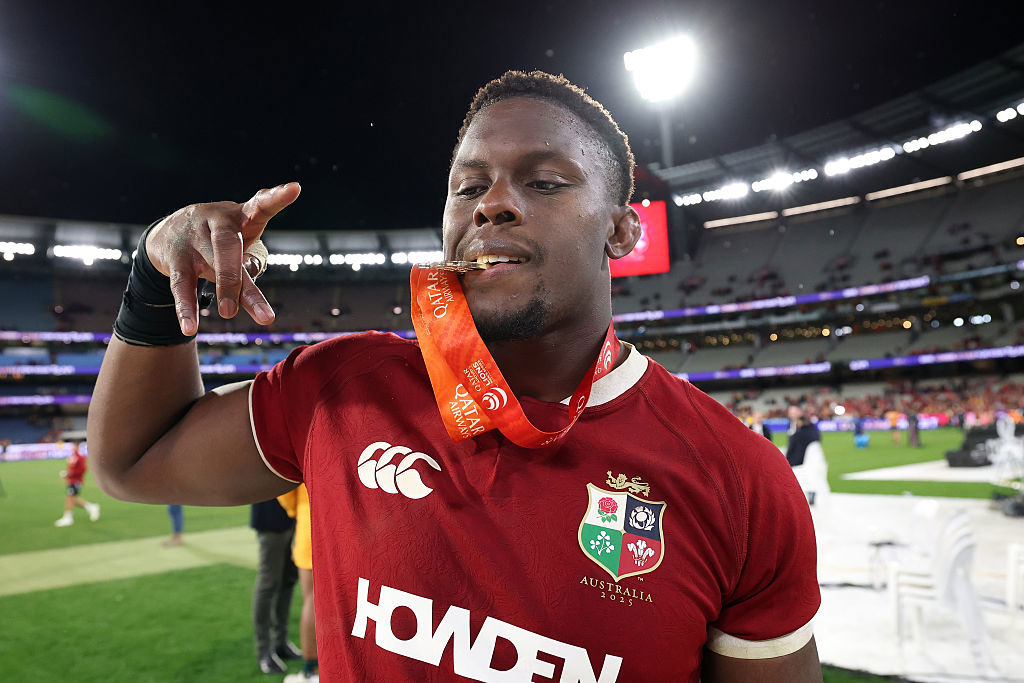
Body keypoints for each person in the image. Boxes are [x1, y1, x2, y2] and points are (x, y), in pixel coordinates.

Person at [88, 70, 822, 681]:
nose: (493, 203)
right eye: (468, 188)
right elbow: (132, 461)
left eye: (544, 182)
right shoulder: (341, 387)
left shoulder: (740, 480)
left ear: (622, 229)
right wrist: (153, 276)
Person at [251, 498, 302, 674]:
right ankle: (264, 651)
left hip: (293, 514)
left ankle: (280, 643)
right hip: (270, 515)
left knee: (288, 579)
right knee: (269, 583)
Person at [277, 485, 317, 683]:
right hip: (346, 530)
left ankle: (312, 671)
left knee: (312, 600)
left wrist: (295, 509)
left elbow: (284, 489)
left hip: (310, 526)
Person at [54, 442, 100, 526]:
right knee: (71, 498)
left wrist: (70, 474)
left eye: (74, 445)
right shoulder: (73, 456)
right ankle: (90, 507)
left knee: (70, 497)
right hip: (71, 480)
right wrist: (67, 475)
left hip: (76, 480)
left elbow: (83, 469)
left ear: (77, 446)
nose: (72, 447)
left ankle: (69, 517)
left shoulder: (79, 457)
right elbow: (71, 468)